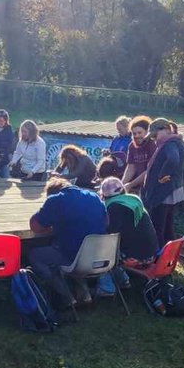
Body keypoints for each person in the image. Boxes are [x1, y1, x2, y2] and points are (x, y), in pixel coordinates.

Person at [28, 177, 108, 308]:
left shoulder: (55, 200)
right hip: (99, 255)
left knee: (36, 255)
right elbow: (107, 222)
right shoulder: (94, 197)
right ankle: (84, 294)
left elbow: (35, 226)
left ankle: (65, 296)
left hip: (73, 256)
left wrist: (52, 222)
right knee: (75, 246)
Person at [95, 177, 158, 297]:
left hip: (135, 258)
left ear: (103, 195)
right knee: (118, 248)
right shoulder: (134, 200)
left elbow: (110, 236)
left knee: (102, 250)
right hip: (152, 254)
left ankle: (107, 288)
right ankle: (123, 280)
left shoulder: (113, 207)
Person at [143, 118, 184, 244]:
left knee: (158, 226)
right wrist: (178, 174)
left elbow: (173, 159)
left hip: (164, 192)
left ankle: (158, 255)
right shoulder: (180, 141)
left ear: (165, 129)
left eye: (155, 136)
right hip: (173, 189)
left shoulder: (170, 143)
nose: (154, 140)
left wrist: (163, 175)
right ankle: (169, 257)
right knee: (168, 226)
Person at [122, 115, 155, 193]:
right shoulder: (132, 146)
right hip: (139, 186)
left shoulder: (153, 145)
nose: (137, 136)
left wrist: (130, 185)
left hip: (153, 186)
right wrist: (121, 185)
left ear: (147, 132)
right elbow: (131, 167)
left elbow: (150, 171)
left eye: (139, 133)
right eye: (134, 134)